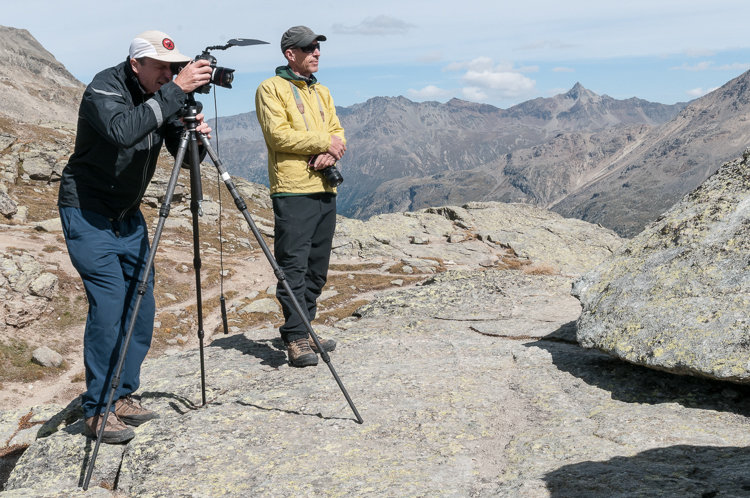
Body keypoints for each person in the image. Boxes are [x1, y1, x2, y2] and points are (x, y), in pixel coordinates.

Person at [58, 30, 213, 443]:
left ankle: (122, 393)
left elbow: (183, 154)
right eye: (161, 66)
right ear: (136, 65)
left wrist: (192, 132)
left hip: (128, 217)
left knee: (140, 306)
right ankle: (98, 410)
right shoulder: (102, 89)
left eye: (173, 66)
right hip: (87, 212)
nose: (170, 73)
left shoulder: (163, 95)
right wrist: (173, 93)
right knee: (108, 305)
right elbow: (124, 131)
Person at [255, 26, 346, 367]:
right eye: (309, 48)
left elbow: (337, 131)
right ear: (290, 53)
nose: (317, 53)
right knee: (293, 266)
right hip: (293, 190)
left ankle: (305, 327)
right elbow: (278, 136)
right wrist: (324, 144)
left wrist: (333, 151)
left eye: (318, 48)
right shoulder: (271, 89)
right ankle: (295, 337)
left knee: (317, 268)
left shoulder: (321, 92)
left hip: (325, 187)